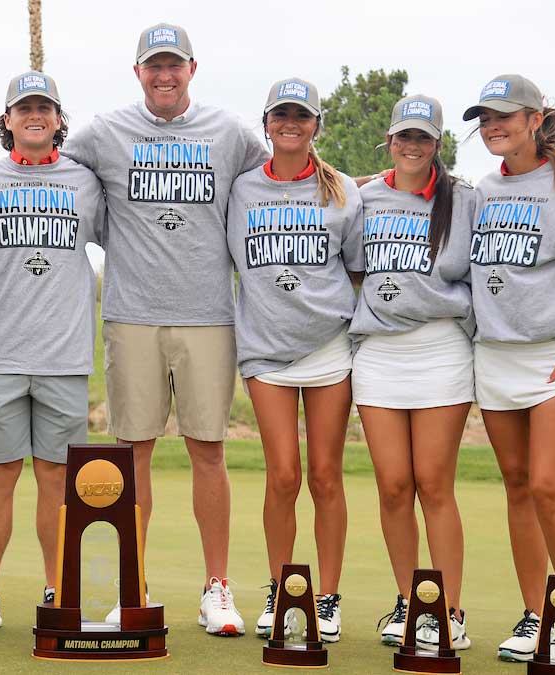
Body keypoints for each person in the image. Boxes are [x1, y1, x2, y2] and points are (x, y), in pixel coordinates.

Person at [61, 22, 270, 636]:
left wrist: (365, 187)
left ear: (192, 70)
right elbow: (42, 173)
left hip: (209, 314)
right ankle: (135, 587)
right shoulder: (104, 132)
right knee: (134, 455)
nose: (164, 75)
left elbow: (285, 178)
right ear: (138, 74)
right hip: (131, 315)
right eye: (153, 66)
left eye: (173, 65)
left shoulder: (230, 133)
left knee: (209, 451)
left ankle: (217, 589)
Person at [465, 75, 555, 667]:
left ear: (534, 119)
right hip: (495, 355)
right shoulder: (481, 188)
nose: (493, 126)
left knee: (550, 488)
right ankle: (537, 615)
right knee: (519, 488)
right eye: (485, 118)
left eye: (505, 116)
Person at [0, 71, 106, 637]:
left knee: (55, 476)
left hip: (65, 354)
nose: (34, 116)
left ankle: (56, 589)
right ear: (8, 119)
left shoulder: (87, 182)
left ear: (59, 118)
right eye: (24, 108)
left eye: (44, 107)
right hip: (0, 351)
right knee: (0, 473)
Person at [225, 77, 362, 642]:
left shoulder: (343, 191)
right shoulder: (241, 189)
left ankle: (325, 598)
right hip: (265, 349)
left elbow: (354, 269)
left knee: (326, 476)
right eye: (280, 114)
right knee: (283, 474)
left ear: (315, 127)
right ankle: (283, 590)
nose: (290, 123)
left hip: (329, 346)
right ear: (266, 124)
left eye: (301, 116)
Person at [350, 96, 475, 650]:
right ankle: (410, 601)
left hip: (441, 350)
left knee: (432, 484)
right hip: (378, 353)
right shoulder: (362, 194)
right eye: (404, 136)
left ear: (437, 144)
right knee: (394, 486)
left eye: (423, 138)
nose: (412, 146)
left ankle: (447, 609)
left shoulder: (463, 198)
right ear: (390, 139)